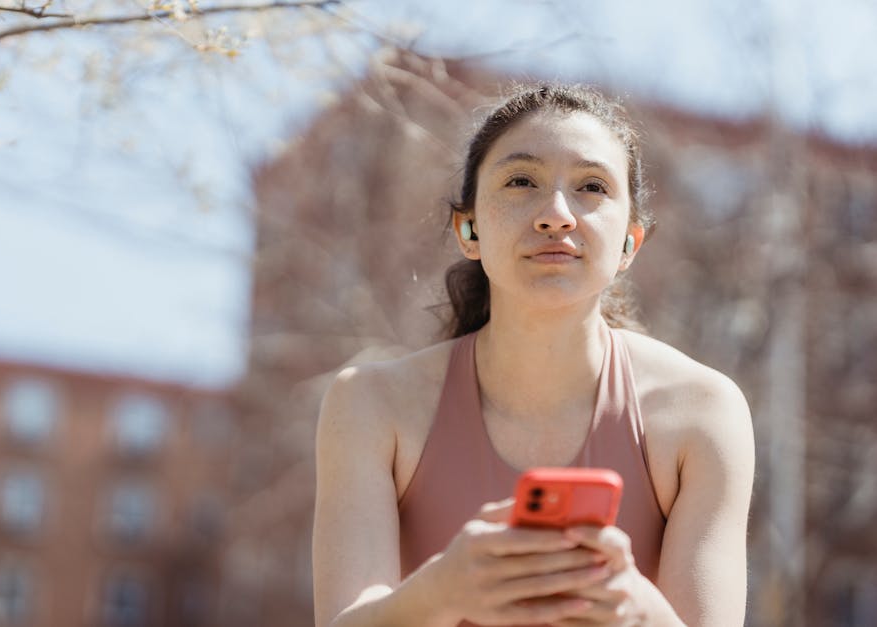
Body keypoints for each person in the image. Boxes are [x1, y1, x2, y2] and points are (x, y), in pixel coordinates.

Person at [312, 84, 755, 627]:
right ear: (468, 229)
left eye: (592, 186)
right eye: (522, 181)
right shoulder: (369, 404)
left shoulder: (703, 412)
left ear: (629, 246)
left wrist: (635, 610)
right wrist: (441, 592)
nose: (556, 215)